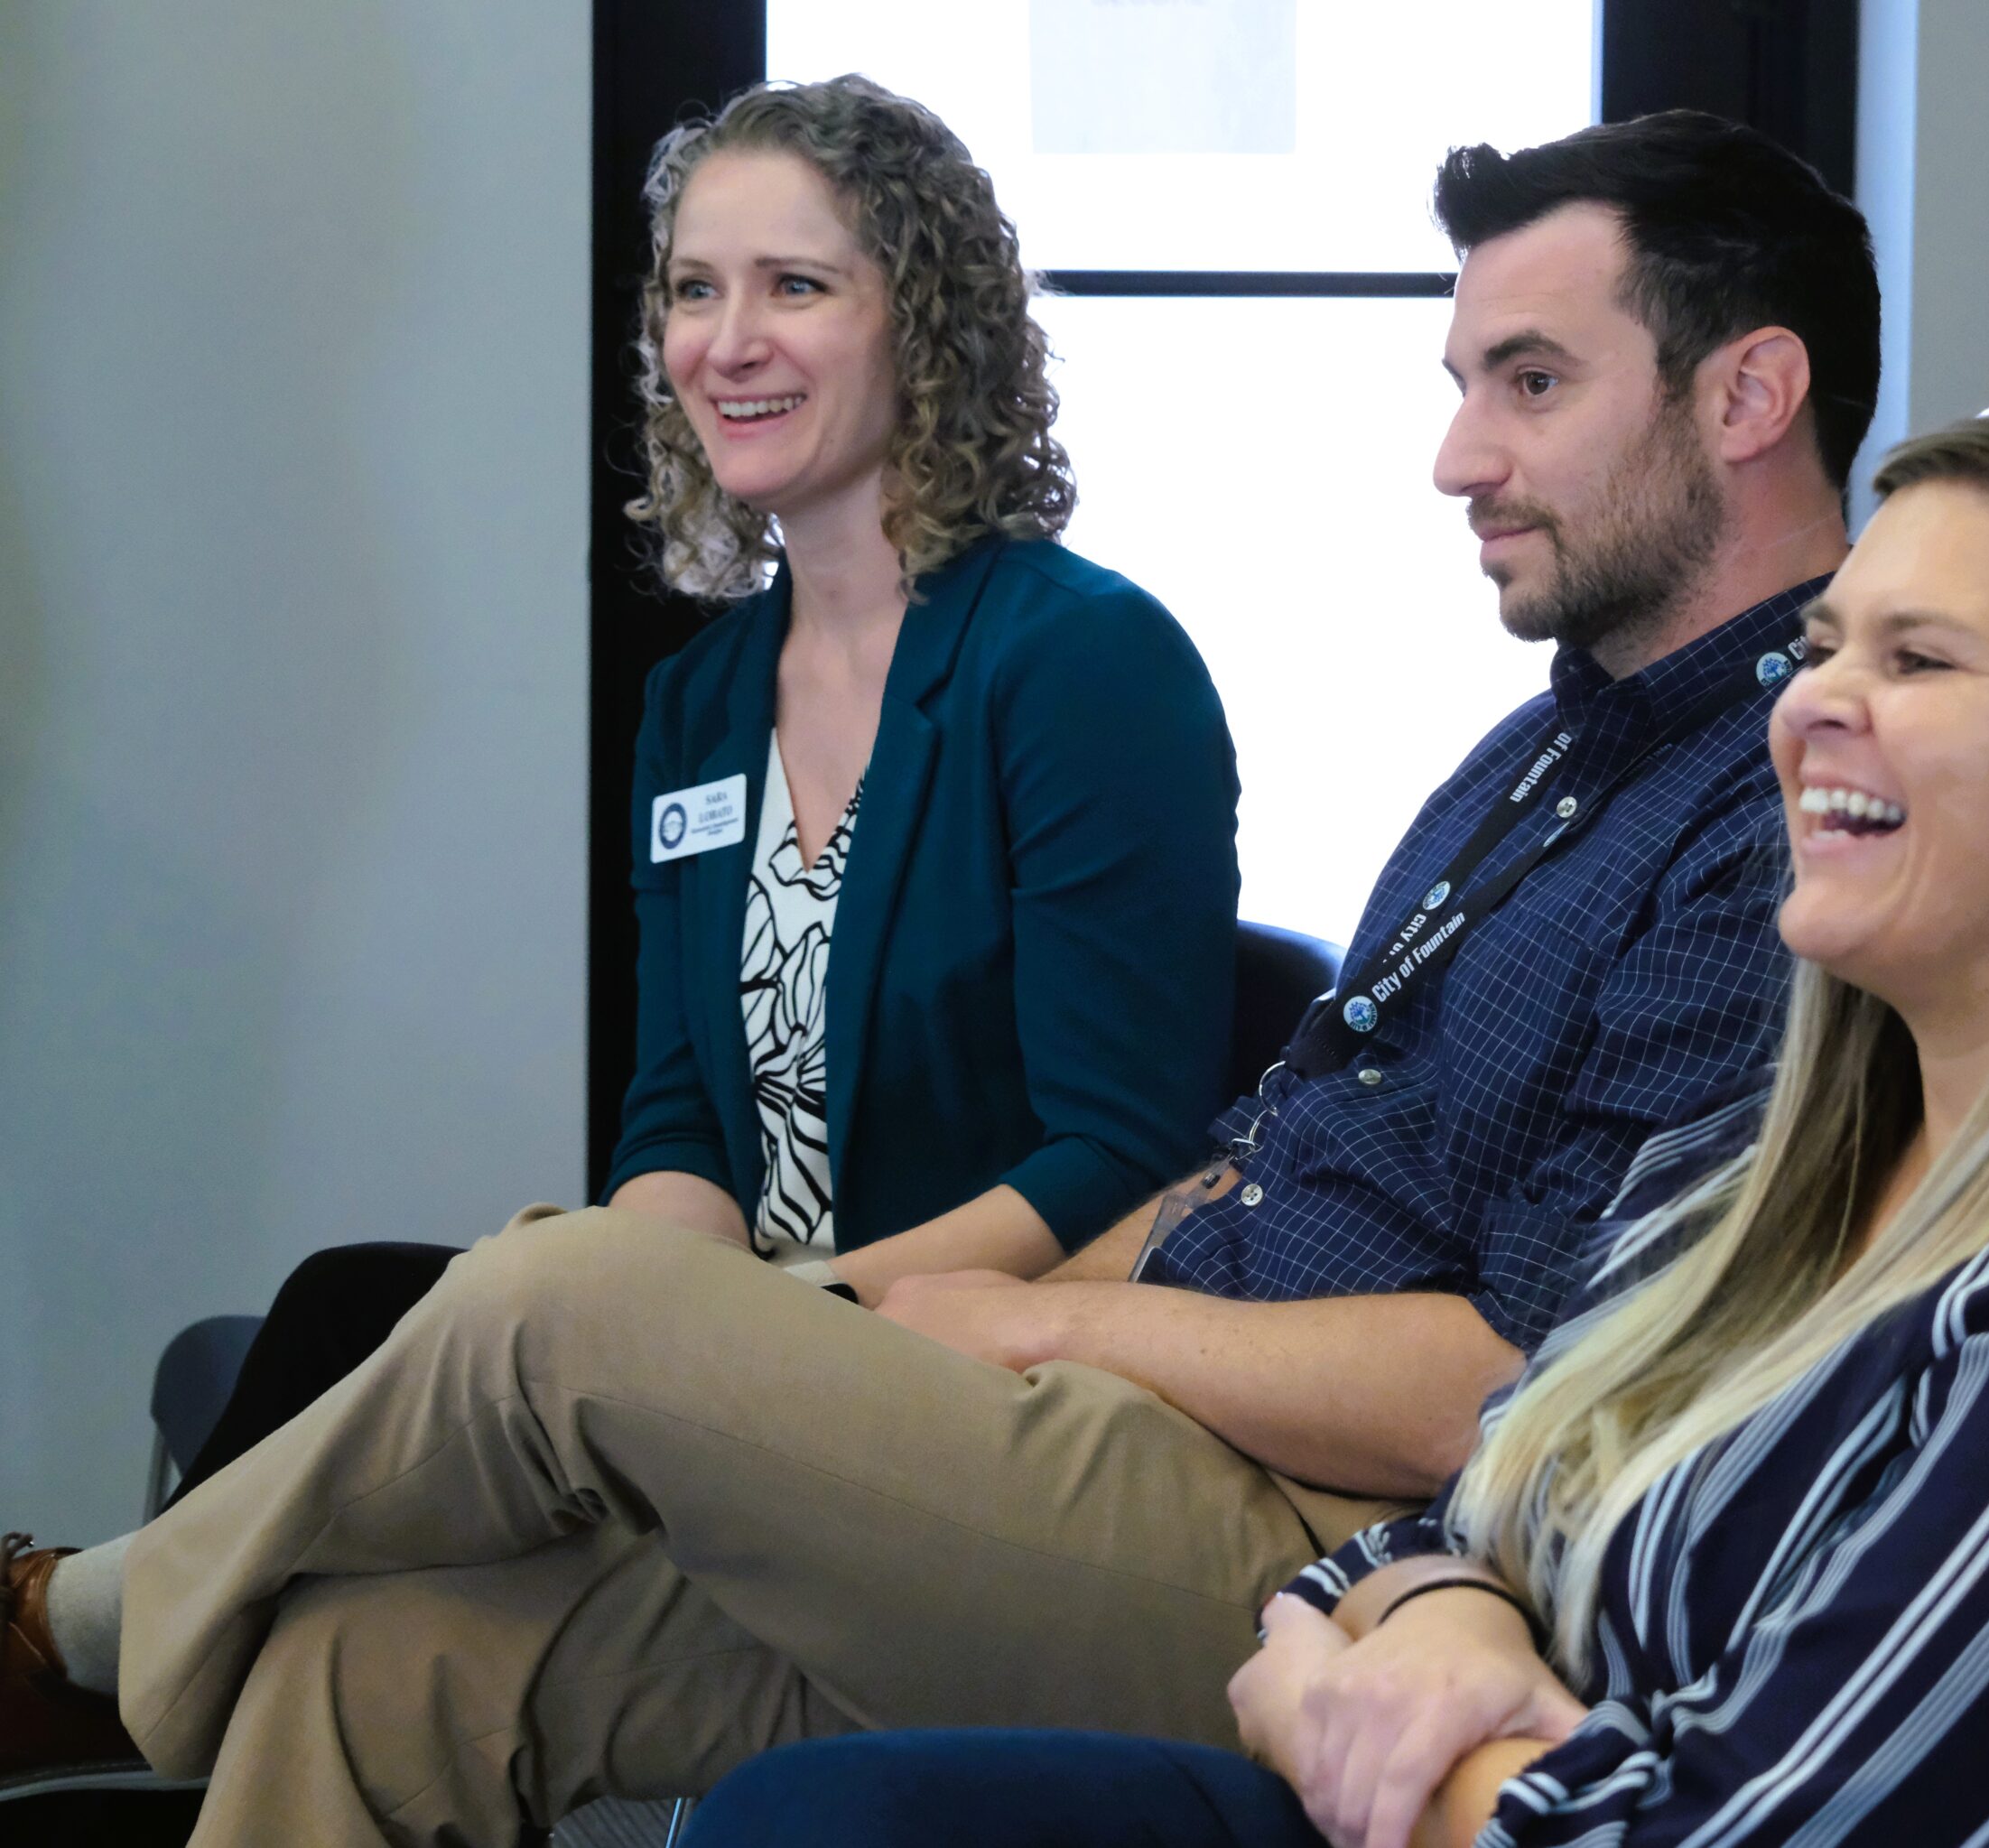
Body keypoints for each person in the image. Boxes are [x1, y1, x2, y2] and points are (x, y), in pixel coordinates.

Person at [0, 108, 1878, 1843]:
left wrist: (1019, 1325)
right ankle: (137, 1632)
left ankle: (76, 1627)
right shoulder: (1540, 757)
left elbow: (1524, 1385)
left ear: (1747, 395)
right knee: (381, 1656)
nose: (1454, 455)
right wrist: (933, 1334)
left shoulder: (1791, 813)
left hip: (1347, 1564)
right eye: (694, 289)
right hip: (1127, 1437)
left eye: (1527, 383)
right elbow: (1234, 1170)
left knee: (559, 1298)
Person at [678, 395, 1989, 1848]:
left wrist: (1361, 1727)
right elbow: (1420, 1534)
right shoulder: (1766, 1165)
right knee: (809, 1813)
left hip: (1447, 1799)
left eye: (1921, 660)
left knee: (588, 1326)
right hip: (1435, 1754)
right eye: (1824, 649)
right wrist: (1444, 1613)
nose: (1814, 706)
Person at [4, 67, 1237, 1775]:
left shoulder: (1082, 660)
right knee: (358, 1314)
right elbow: (677, 1116)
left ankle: (81, 1631)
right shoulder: (703, 701)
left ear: (924, 323)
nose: (728, 341)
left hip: (969, 1383)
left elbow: (1118, 1150)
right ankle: (141, 1680)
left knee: (487, 1321)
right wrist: (672, 1315)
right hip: (737, 1342)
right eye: (693, 289)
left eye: (795, 285)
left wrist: (771, 1327)